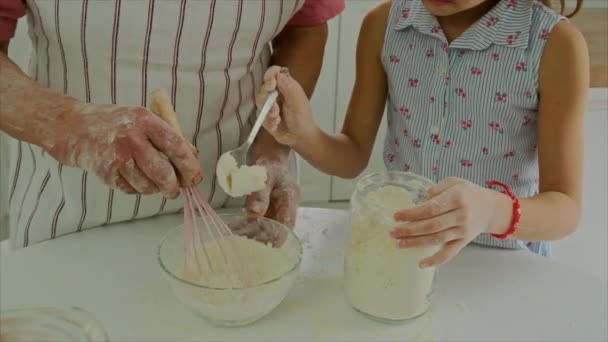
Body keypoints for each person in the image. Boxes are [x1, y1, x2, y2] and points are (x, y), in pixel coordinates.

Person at [258, 0, 588, 267]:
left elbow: (564, 210)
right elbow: (351, 156)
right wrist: (302, 134)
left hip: (505, 264)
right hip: (408, 253)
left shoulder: (555, 45)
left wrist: (490, 210)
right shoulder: (384, 25)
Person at [0, 0, 345, 248]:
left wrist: (272, 147)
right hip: (74, 211)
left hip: (237, 213)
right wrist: (72, 126)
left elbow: (304, 29)